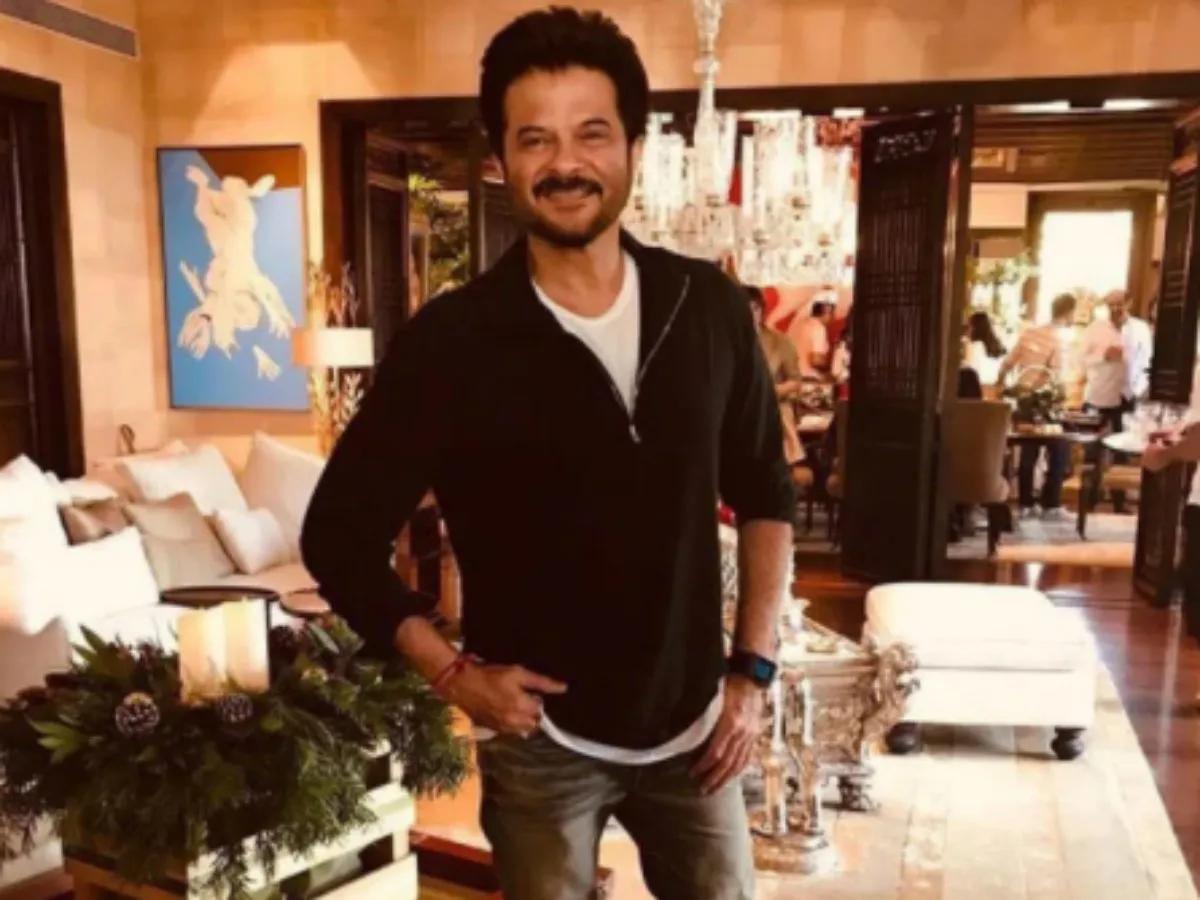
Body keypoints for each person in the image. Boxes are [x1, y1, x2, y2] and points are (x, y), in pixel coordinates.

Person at [300, 9, 794, 900]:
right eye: (536, 139)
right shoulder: (452, 341)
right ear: (501, 159)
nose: (566, 163)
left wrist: (752, 672)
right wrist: (453, 675)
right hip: (539, 743)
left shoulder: (710, 309)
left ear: (633, 148)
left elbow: (766, 492)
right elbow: (336, 536)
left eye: (592, 133)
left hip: (696, 729)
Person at [996, 292, 1077, 521]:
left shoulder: (1030, 333)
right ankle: (1051, 503)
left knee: (1028, 452)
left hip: (1023, 401)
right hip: (1044, 403)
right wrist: (1061, 398)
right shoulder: (1058, 339)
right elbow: (1055, 376)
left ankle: (1025, 503)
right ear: (1069, 312)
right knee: (1059, 449)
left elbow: (1007, 363)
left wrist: (1001, 385)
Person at [1080, 289, 1153, 511]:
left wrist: (1141, 386)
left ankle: (1119, 502)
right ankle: (1089, 500)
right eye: (1111, 304)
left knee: (1123, 450)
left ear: (1129, 303)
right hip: (1099, 395)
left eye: (1120, 304)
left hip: (1128, 395)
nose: (1115, 308)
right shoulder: (1094, 329)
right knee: (1093, 449)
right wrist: (1103, 356)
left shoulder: (1140, 329)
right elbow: (1079, 359)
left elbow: (1147, 359)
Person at [746, 285, 803, 464]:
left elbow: (795, 380)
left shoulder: (780, 341)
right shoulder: (725, 340)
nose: (750, 314)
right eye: (744, 308)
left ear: (762, 310)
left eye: (755, 308)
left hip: (772, 414)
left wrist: (769, 391)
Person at [790, 299, 834, 379]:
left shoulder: (800, 324)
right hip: (808, 378)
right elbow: (816, 360)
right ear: (826, 313)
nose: (833, 317)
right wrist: (830, 372)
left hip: (792, 376)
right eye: (832, 314)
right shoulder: (819, 328)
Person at [964, 311, 1006, 390]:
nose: (966, 331)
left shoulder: (975, 346)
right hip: (994, 389)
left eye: (968, 327)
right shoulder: (998, 346)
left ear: (975, 328)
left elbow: (969, 371)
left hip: (978, 388)